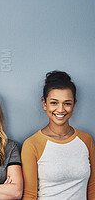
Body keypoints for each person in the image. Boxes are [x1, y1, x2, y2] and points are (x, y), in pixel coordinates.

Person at [21, 71, 95, 199]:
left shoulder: (86, 140)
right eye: (54, 103)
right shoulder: (32, 144)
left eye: (67, 103)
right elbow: (30, 194)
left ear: (74, 104)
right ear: (44, 103)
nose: (60, 110)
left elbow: (92, 188)